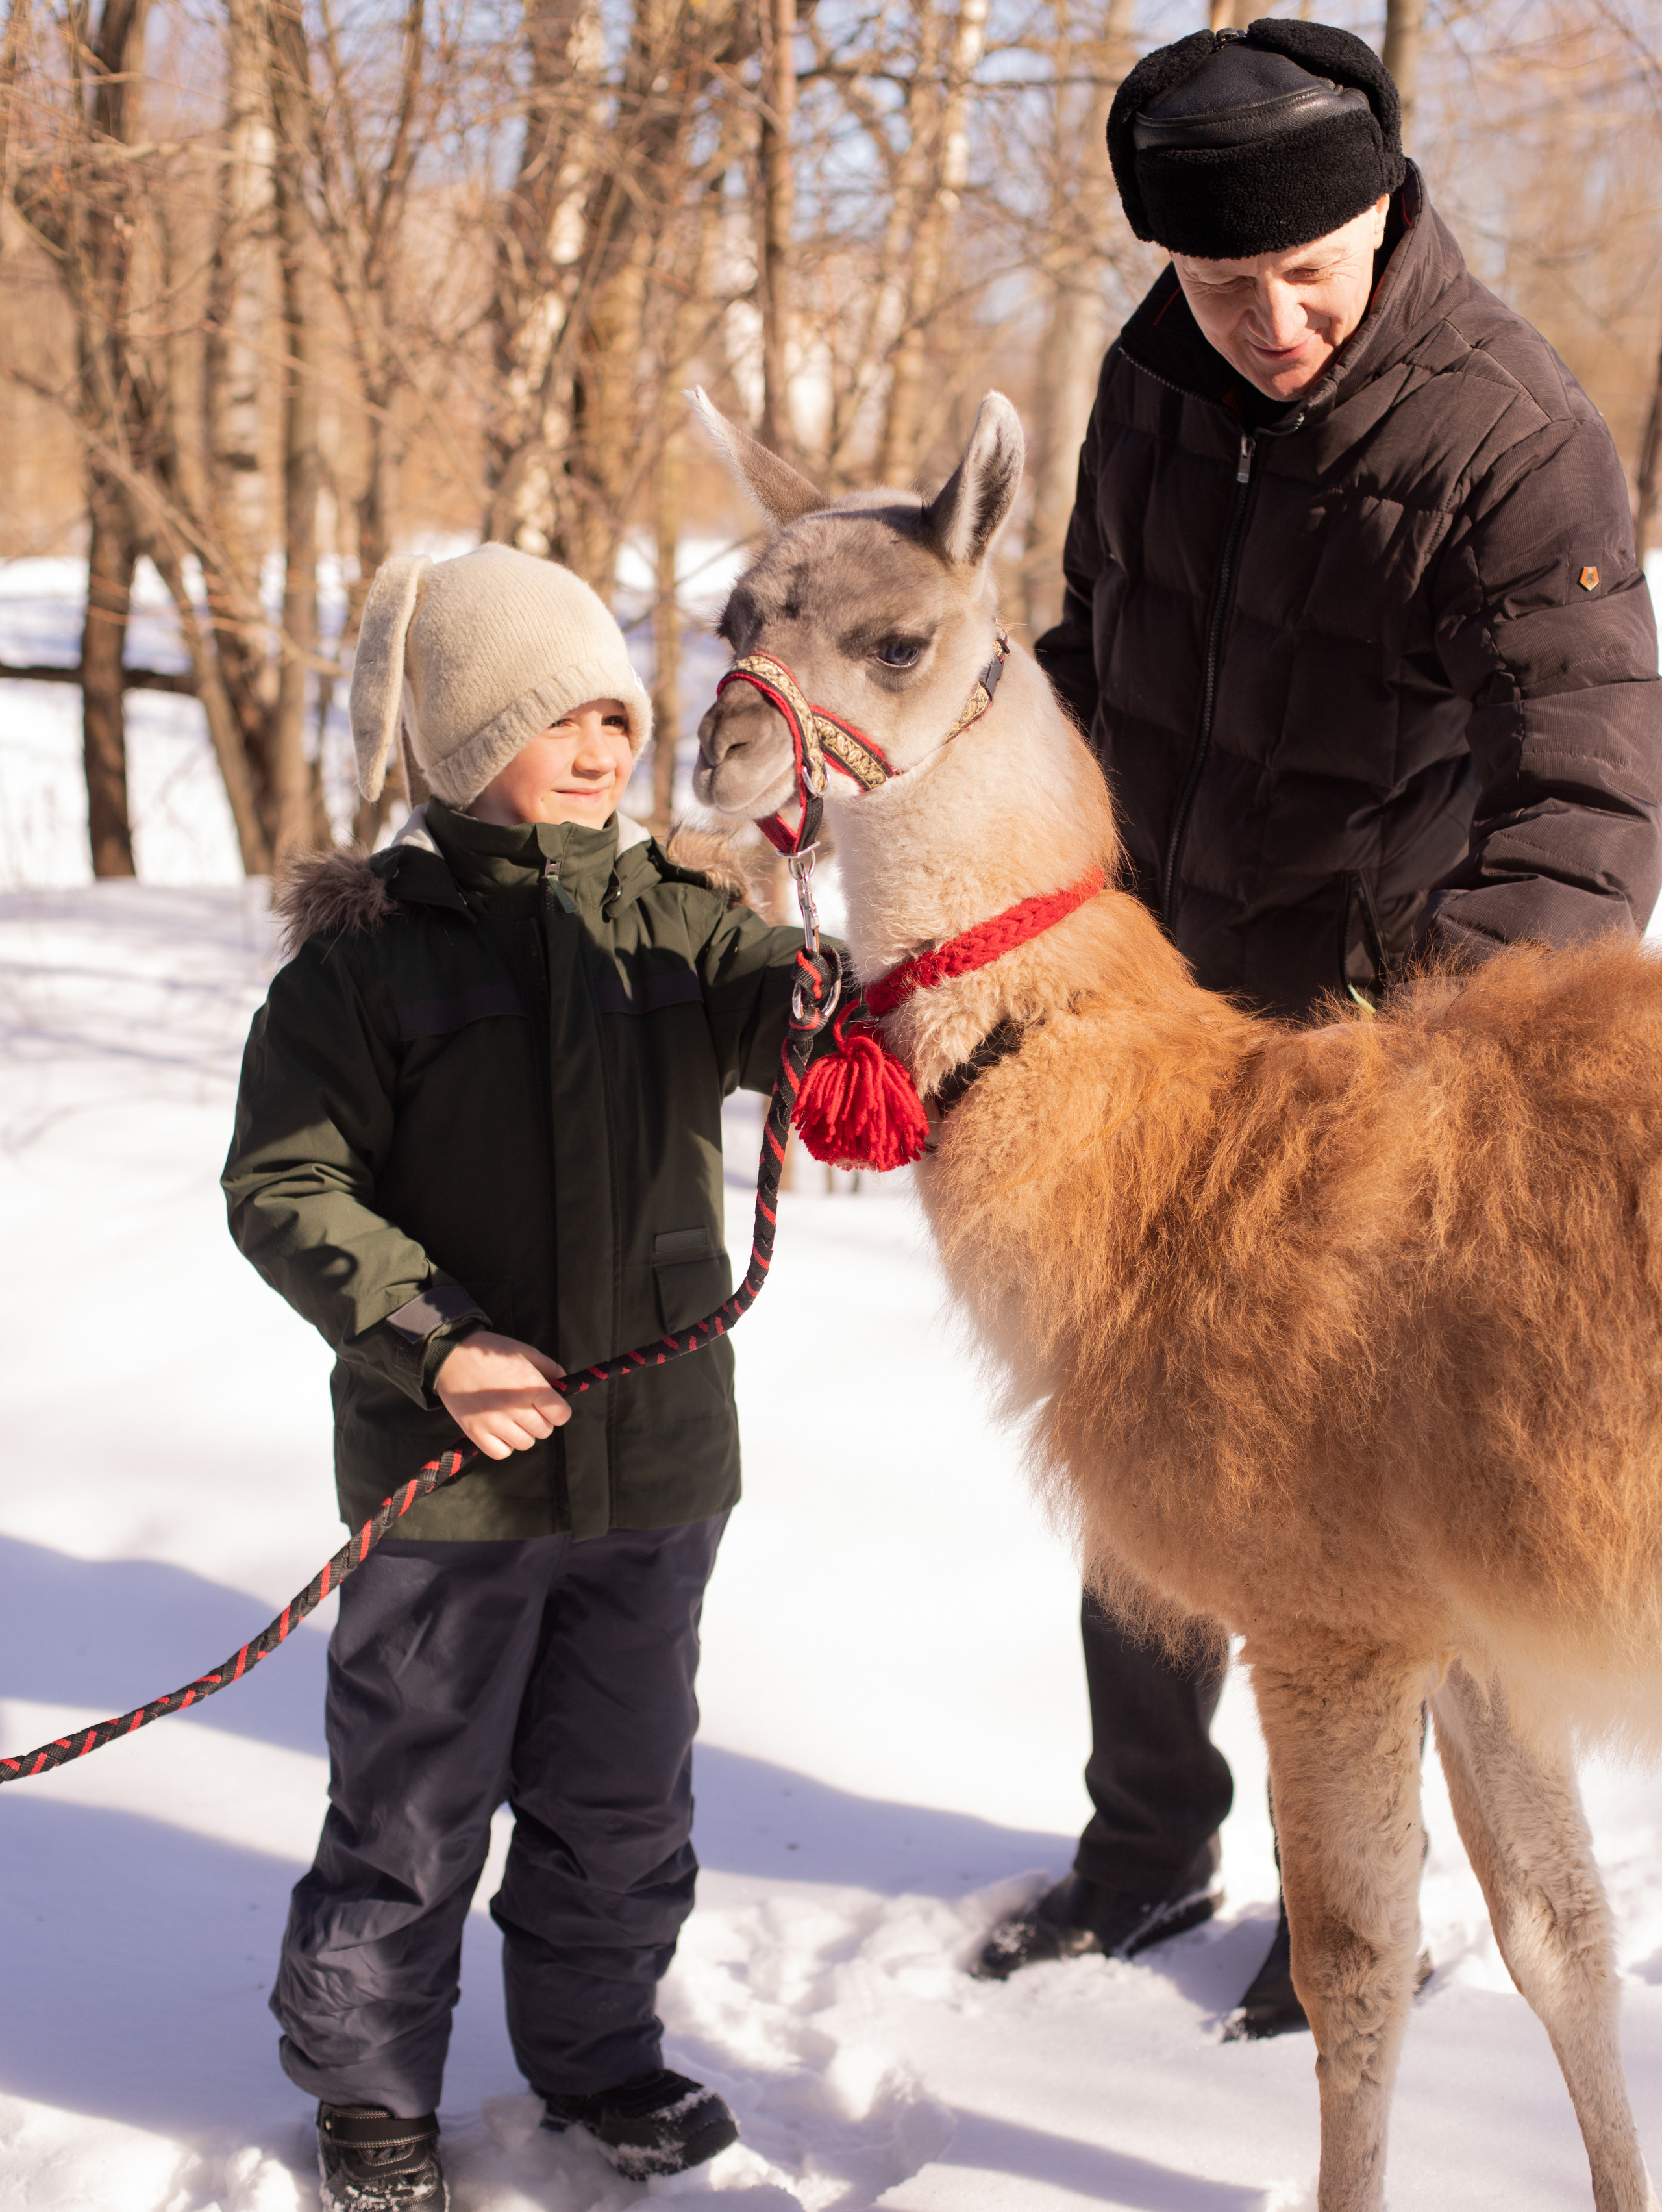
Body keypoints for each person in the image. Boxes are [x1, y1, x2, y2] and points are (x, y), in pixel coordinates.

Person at [974, 18, 1662, 2030]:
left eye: (1309, 275)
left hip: (1372, 1065)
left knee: (1343, 1509)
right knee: (1135, 1443)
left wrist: (1423, 1072)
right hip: (1144, 1012)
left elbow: (1585, 801)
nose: (1271, 323)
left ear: (1384, 217)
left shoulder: (1510, 438)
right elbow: (1099, 655)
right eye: (1223, 284)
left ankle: (1344, 1906)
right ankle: (1143, 1843)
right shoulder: (1149, 381)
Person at [223, 543, 817, 2209]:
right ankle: (369, 2092)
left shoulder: (686, 924)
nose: (598, 745)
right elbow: (285, 1186)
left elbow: (787, 1019)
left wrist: (836, 1008)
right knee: (410, 1810)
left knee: (620, 1804)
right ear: (462, 738)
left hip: (655, 1471)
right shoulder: (367, 967)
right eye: (553, 717)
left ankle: (596, 2054)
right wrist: (438, 1343)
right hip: (452, 1494)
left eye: (614, 715)